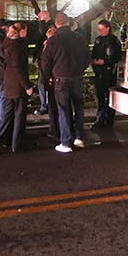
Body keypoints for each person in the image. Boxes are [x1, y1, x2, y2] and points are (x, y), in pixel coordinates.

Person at [39, 12, 90, 153]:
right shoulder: (79, 38)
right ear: (68, 22)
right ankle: (79, 137)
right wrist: (81, 69)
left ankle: (66, 141)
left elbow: (45, 62)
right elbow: (87, 57)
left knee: (63, 110)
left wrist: (46, 78)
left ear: (56, 24)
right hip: (77, 77)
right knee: (79, 107)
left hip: (60, 79)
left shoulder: (53, 40)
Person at [0, 22, 34, 152]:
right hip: (17, 85)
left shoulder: (7, 42)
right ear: (21, 31)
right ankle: (17, 143)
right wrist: (27, 86)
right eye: (25, 31)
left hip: (8, 82)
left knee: (7, 114)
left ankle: (1, 139)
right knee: (19, 115)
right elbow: (18, 68)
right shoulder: (18, 46)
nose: (26, 33)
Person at [91, 19, 122, 129]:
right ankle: (101, 119)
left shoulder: (113, 40)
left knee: (108, 96)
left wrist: (105, 62)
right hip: (99, 71)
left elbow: (116, 56)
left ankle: (107, 119)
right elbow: (94, 52)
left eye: (102, 29)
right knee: (100, 96)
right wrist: (94, 62)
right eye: (99, 29)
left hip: (108, 72)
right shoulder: (98, 40)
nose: (100, 31)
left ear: (108, 28)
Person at [32, 10, 54, 115]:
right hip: (45, 59)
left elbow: (41, 35)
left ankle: (44, 105)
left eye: (40, 18)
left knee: (42, 83)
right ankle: (47, 105)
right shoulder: (50, 26)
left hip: (46, 60)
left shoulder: (48, 27)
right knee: (44, 83)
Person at [41, 25, 60, 140]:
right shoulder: (59, 46)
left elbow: (45, 64)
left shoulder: (48, 47)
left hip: (52, 80)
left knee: (53, 107)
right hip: (57, 79)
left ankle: (54, 130)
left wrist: (47, 79)